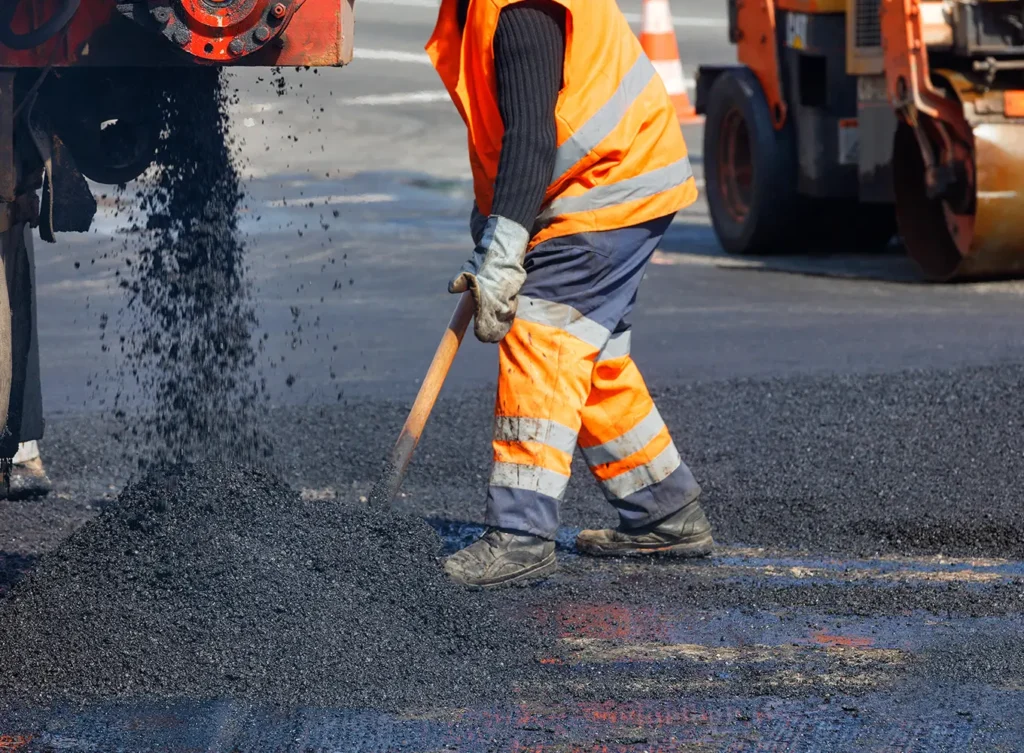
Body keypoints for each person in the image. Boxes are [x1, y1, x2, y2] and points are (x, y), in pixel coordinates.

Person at [427, 0, 715, 588]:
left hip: (608, 184)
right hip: (610, 173)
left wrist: (506, 244)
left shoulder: (519, 10)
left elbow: (532, 136)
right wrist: (495, 219)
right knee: (592, 349)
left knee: (541, 331)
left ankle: (520, 534)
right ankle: (663, 507)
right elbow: (514, 129)